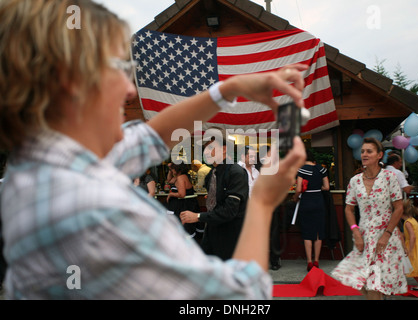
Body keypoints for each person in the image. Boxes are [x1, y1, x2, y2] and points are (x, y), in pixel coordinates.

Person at [0, 0, 308, 299]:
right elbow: (238, 297)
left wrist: (230, 88)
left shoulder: (36, 168)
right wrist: (263, 204)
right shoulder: (103, 213)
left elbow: (150, 137)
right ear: (71, 82)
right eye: (119, 67)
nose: (130, 89)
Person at [332, 137, 407, 300]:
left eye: (369, 151)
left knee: (375, 285)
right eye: (363, 151)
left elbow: (398, 208)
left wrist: (387, 234)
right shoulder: (355, 180)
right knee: (364, 284)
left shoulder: (389, 177)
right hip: (363, 238)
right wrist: (356, 232)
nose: (364, 154)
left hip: (385, 238)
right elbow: (348, 209)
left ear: (379, 155)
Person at [180, 133, 249, 260]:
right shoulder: (211, 174)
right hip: (212, 230)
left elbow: (230, 210)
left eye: (210, 147)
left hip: (231, 235)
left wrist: (198, 216)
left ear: (224, 149)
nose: (206, 152)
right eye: (205, 148)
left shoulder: (236, 172)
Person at [293, 149, 329, 271]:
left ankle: (309, 261)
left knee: (307, 232)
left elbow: (298, 189)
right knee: (318, 232)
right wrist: (318, 189)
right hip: (318, 200)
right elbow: (327, 187)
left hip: (306, 201)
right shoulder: (321, 169)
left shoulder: (302, 170)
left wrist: (294, 198)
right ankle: (316, 261)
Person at [166, 163, 200, 238]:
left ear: (177, 168)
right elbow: (169, 180)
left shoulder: (181, 178)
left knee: (182, 229)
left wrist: (171, 194)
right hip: (181, 206)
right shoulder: (180, 176)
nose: (172, 170)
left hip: (182, 207)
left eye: (173, 169)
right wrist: (170, 170)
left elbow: (182, 194)